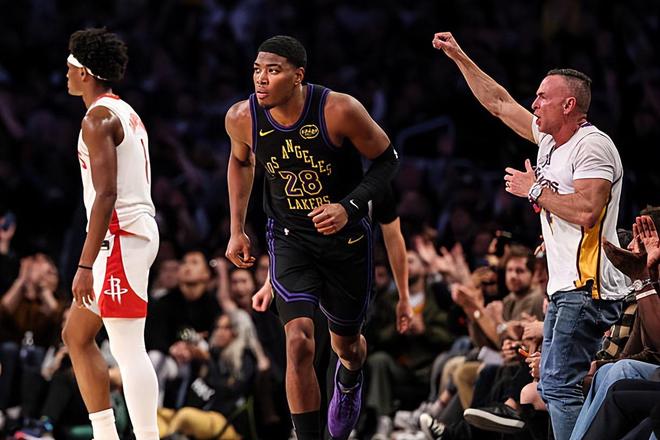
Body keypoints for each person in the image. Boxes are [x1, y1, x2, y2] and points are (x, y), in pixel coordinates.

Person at [433, 31, 625, 439]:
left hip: (587, 288)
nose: (534, 104)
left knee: (557, 385)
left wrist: (535, 190)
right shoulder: (550, 142)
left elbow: (588, 211)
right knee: (553, 386)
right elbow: (499, 103)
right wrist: (460, 57)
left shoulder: (593, 146)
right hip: (564, 287)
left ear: (568, 105)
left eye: (542, 97)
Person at [225, 35, 399, 439]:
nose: (261, 79)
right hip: (290, 239)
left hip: (346, 243)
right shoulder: (242, 117)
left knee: (347, 347)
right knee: (299, 342)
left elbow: (387, 159)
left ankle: (350, 377)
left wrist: (348, 207)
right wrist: (237, 229)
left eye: (273, 71)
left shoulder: (339, 109)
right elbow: (240, 162)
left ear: (298, 76)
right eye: (257, 70)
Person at [61, 28, 160, 440]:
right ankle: (105, 435)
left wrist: (85, 265)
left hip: (120, 237)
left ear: (85, 73)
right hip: (129, 233)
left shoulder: (97, 119)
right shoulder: (123, 110)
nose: (66, 73)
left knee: (126, 346)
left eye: (70, 66)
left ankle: (148, 436)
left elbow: (106, 194)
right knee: (76, 335)